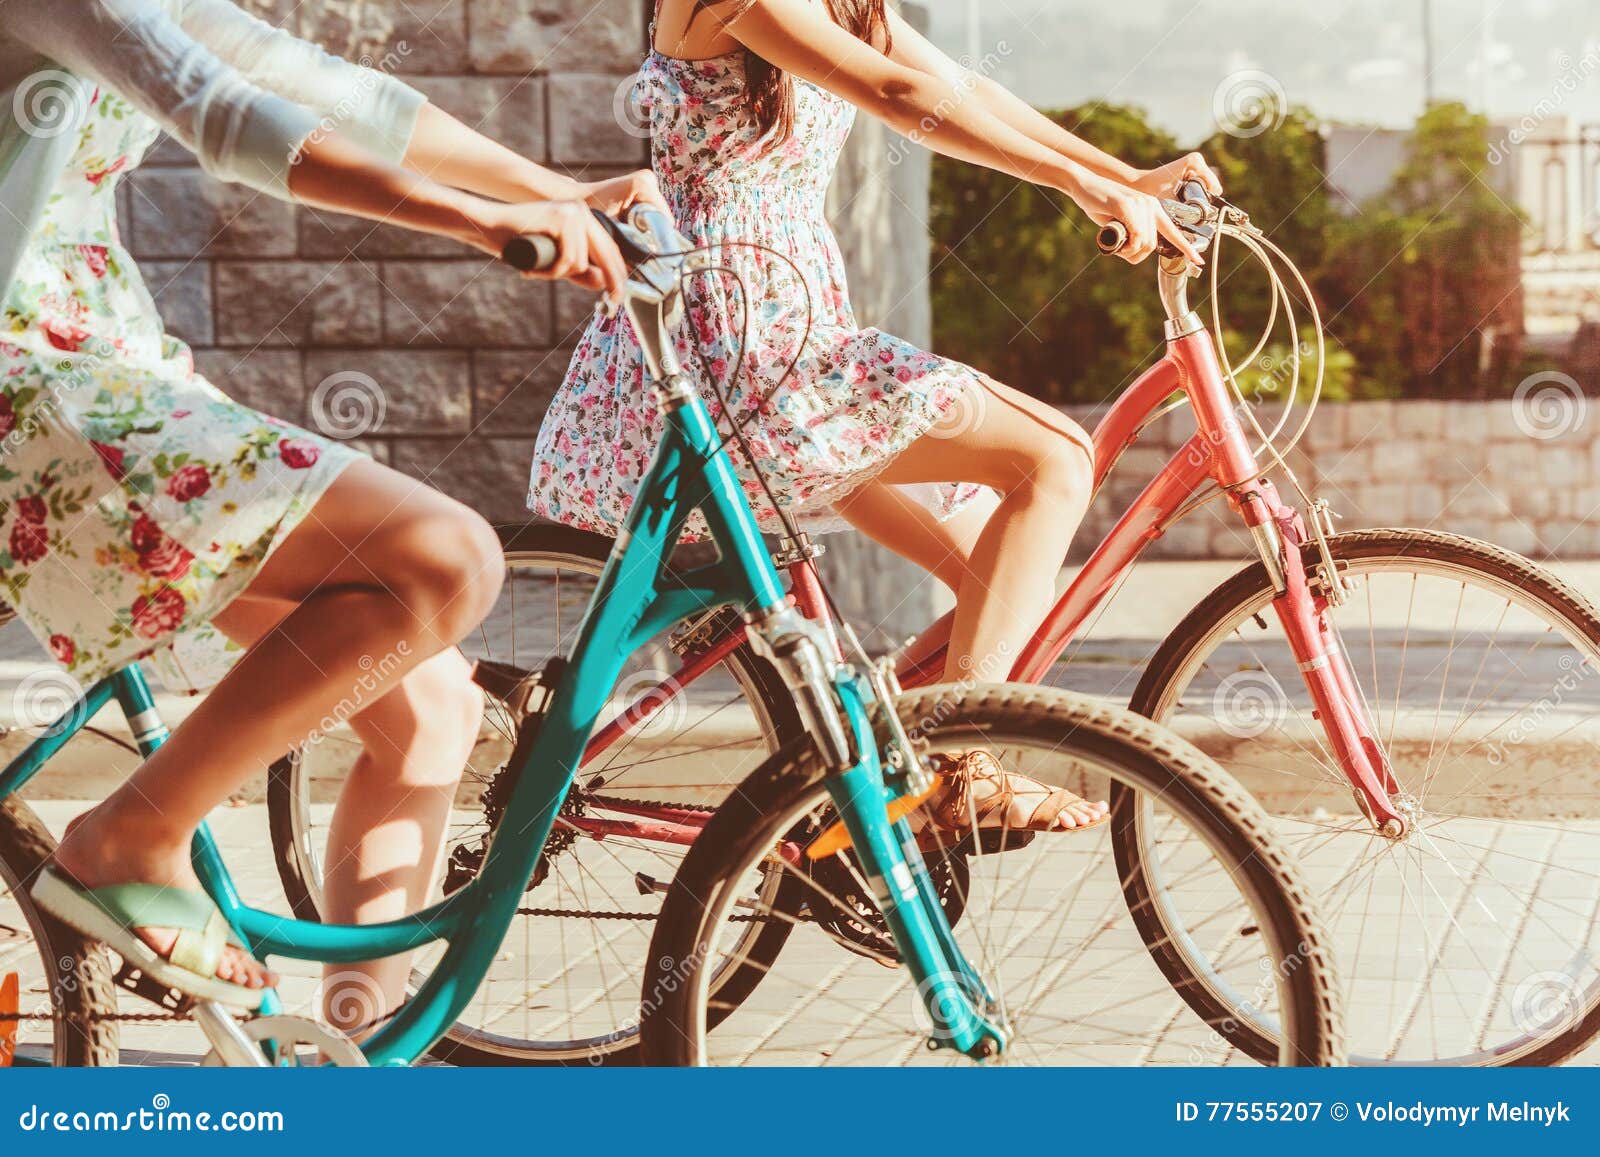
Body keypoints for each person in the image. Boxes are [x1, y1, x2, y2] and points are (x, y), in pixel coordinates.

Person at [0, 0, 661, 1023]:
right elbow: (223, 115)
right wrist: (480, 219)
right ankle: (129, 835)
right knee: (444, 561)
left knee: (431, 709)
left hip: (103, 370)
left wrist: (556, 192)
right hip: (33, 395)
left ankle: (352, 1065)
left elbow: (326, 88)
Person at [527, 0, 1222, 842]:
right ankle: (960, 776)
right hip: (748, 345)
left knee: (997, 589)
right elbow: (900, 95)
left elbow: (958, 86)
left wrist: (1123, 174)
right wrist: (1080, 186)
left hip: (770, 334)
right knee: (1056, 459)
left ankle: (857, 785)